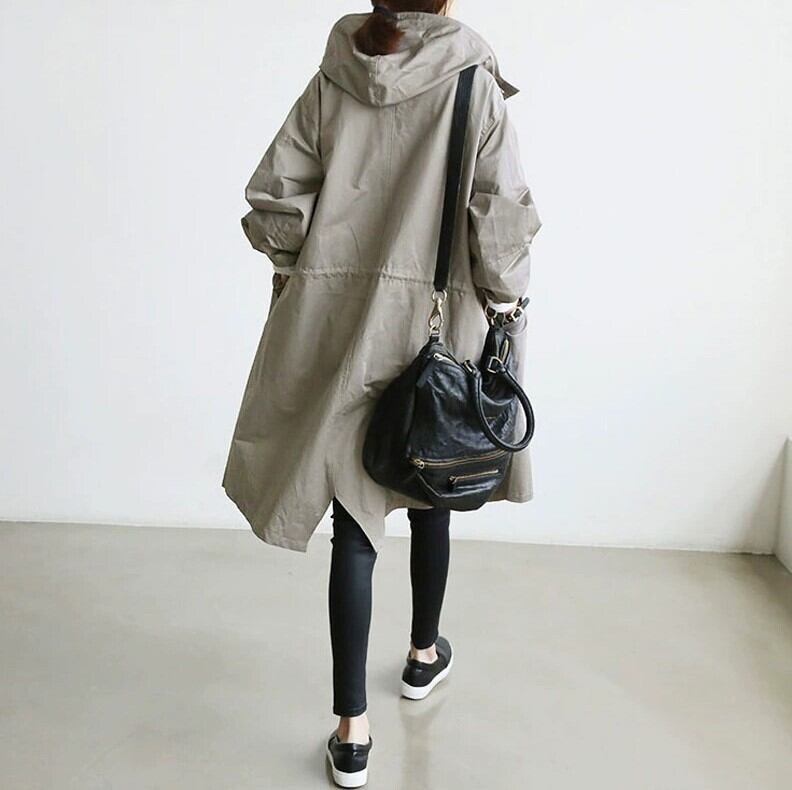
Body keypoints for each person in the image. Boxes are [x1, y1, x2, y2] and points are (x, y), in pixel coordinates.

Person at [222, 2, 541, 786]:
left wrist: (308, 272)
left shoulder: (340, 72)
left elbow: (276, 197)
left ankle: (352, 731)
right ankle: (423, 654)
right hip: (441, 317)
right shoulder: (472, 80)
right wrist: (505, 302)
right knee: (435, 479)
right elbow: (500, 220)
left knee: (355, 521)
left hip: (339, 323)